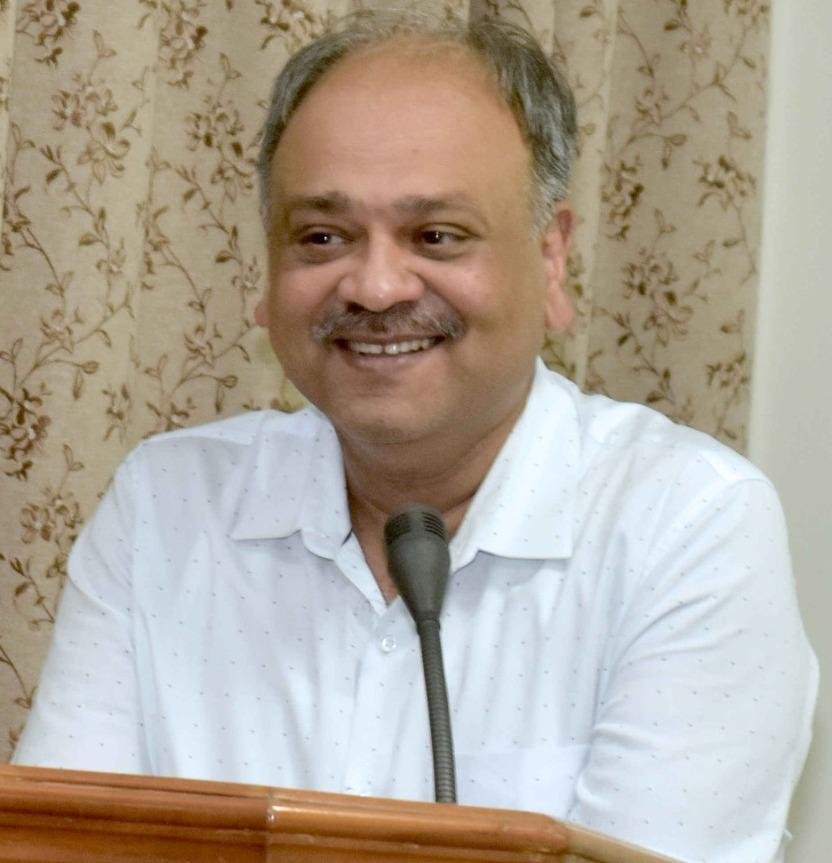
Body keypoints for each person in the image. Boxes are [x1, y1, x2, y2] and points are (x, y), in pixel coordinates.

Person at [12, 9, 816, 863]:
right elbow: (54, 849)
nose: (376, 286)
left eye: (436, 235)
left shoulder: (686, 527)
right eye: (323, 237)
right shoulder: (165, 508)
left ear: (551, 258)